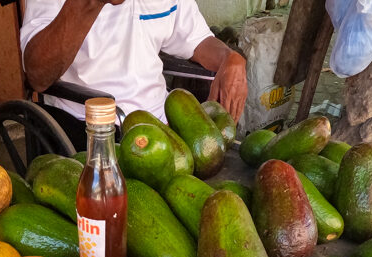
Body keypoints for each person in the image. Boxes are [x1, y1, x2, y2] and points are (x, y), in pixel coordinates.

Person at [20, 0, 248, 148]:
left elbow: (196, 39)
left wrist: (230, 58)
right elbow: (38, 74)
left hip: (162, 126)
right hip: (89, 130)